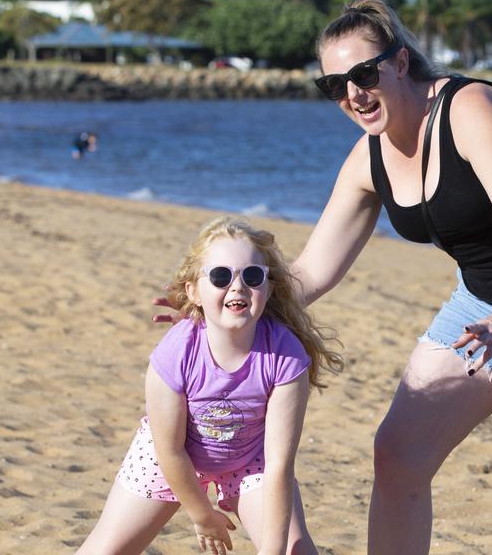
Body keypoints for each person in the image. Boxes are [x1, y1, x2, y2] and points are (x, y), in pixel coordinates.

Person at [279, 0, 492, 554]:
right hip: (481, 303)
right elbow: (311, 270)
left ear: (399, 62)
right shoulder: (369, 158)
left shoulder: (470, 109)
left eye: (363, 74)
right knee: (398, 457)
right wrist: (219, 299)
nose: (352, 94)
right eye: (334, 85)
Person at [79, 216, 341, 555]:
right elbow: (170, 450)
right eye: (220, 276)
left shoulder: (286, 355)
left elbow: (278, 464)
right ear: (194, 292)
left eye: (252, 275)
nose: (237, 287)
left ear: (269, 287)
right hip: (172, 456)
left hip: (251, 459)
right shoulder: (175, 353)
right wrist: (202, 515)